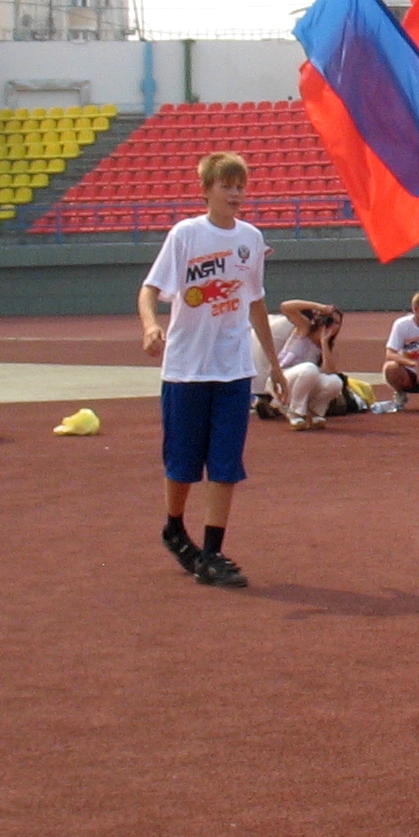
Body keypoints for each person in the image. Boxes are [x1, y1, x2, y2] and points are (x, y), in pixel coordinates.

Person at [139, 152, 284, 589]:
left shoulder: (252, 239)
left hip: (233, 370)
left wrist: (273, 365)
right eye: (226, 185)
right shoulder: (186, 234)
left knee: (225, 463)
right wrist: (150, 326)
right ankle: (174, 526)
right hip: (187, 369)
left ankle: (213, 552)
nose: (236, 193)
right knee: (183, 461)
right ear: (206, 190)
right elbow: (150, 290)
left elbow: (256, 301)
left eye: (241, 185)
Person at [271, 299, 347, 430]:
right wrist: (321, 307)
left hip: (306, 380)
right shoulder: (304, 328)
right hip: (282, 379)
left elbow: (329, 371)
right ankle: (294, 413)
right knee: (310, 369)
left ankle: (315, 412)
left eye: (337, 323)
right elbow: (285, 307)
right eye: (329, 320)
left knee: (335, 382)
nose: (332, 325)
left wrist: (324, 343)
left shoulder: (329, 346)